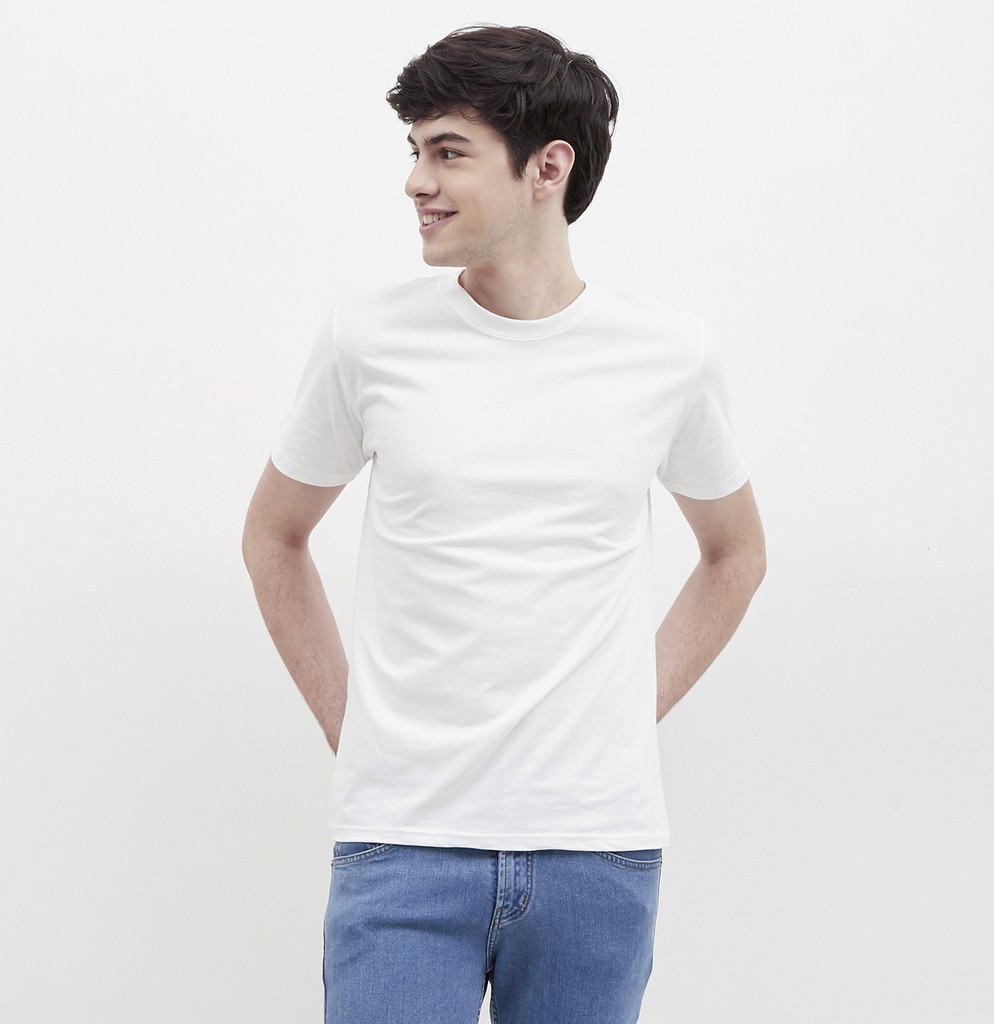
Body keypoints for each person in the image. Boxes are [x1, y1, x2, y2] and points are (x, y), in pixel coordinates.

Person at [242, 24, 765, 1024]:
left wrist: (627, 706)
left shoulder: (668, 354)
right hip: (404, 843)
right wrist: (353, 726)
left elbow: (735, 553)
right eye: (414, 150)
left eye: (447, 151)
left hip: (596, 850)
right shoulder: (369, 339)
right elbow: (273, 536)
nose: (415, 182)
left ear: (547, 168)